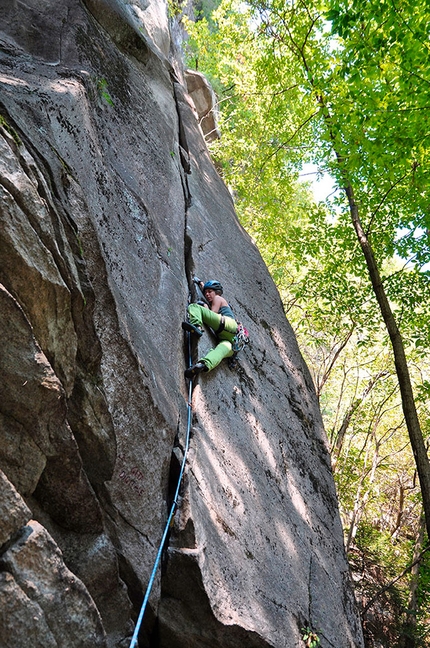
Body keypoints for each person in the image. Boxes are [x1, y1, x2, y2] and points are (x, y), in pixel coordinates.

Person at [182, 280, 238, 378]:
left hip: (228, 324)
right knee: (219, 352)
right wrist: (200, 283)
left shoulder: (217, 298)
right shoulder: (218, 299)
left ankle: (196, 326)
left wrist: (205, 306)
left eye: (210, 292)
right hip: (233, 341)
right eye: (205, 293)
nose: (207, 294)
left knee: (194, 307)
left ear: (217, 292)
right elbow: (205, 288)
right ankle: (203, 365)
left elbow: (213, 314)